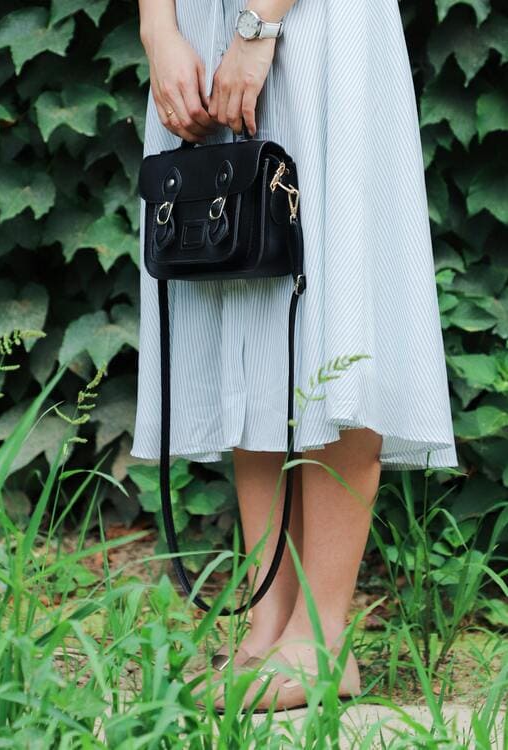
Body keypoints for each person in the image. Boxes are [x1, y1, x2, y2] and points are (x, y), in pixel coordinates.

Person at [131, 0, 460, 711]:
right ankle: (266, 624)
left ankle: (321, 635)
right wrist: (158, 29)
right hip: (204, 31)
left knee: (335, 307)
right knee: (249, 309)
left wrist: (258, 25)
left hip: (312, 25)